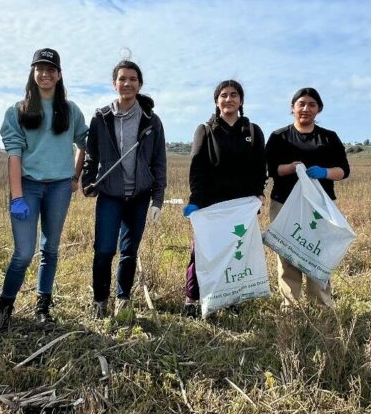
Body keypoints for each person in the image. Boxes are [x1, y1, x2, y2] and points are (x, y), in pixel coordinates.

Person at [0, 48, 88, 324]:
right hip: (28, 187)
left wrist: (75, 177)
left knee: (50, 249)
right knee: (24, 252)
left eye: (51, 69)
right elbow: (14, 155)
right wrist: (17, 197)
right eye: (40, 69)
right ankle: (4, 308)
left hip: (59, 188)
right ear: (33, 73)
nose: (45, 74)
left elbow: (85, 143)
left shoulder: (70, 110)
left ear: (59, 75)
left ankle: (42, 307)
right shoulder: (18, 110)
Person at [82, 60, 167, 319]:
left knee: (129, 251)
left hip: (139, 196)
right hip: (110, 195)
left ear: (139, 84)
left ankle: (123, 298)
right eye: (122, 79)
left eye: (132, 79)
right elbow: (92, 154)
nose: (127, 83)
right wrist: (87, 178)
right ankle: (99, 300)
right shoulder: (101, 117)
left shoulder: (152, 120)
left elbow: (159, 161)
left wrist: (157, 199)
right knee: (105, 249)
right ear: (114, 84)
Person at [182, 80, 267, 317]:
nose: (228, 99)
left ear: (241, 100)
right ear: (216, 101)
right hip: (211, 203)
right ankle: (192, 299)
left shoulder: (252, 131)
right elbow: (197, 167)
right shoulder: (205, 130)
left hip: (242, 205)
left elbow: (260, 165)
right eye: (223, 95)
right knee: (201, 252)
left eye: (233, 95)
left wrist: (259, 192)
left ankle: (230, 298)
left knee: (236, 252)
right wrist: (195, 200)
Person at [265, 87, 349, 310]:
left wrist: (324, 172)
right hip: (284, 203)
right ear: (292, 108)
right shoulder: (278, 137)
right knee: (287, 252)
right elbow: (270, 169)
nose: (306, 108)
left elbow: (343, 171)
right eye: (301, 104)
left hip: (319, 207)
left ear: (318, 109)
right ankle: (290, 305)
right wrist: (290, 168)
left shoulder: (329, 138)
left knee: (318, 253)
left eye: (312, 104)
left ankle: (320, 304)